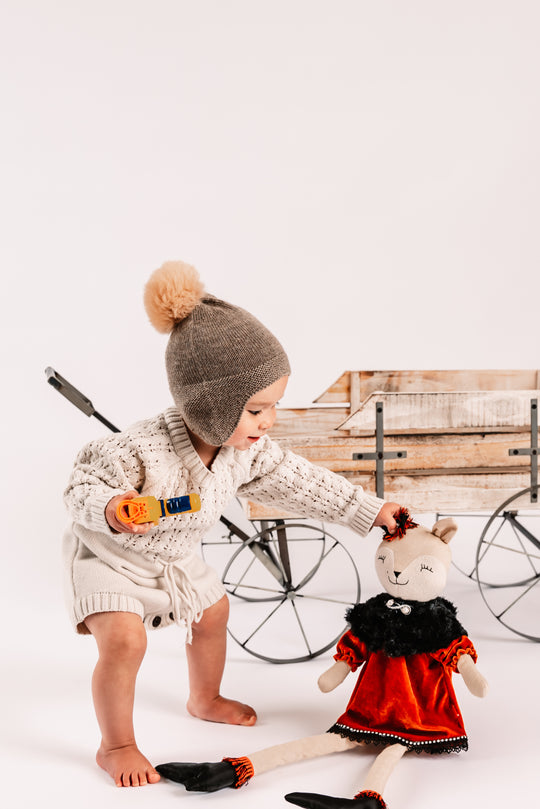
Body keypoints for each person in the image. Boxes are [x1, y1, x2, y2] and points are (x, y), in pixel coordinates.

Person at [63, 260, 403, 789]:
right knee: (126, 643)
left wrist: (369, 509)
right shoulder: (139, 447)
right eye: (255, 409)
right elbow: (79, 487)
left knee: (215, 611)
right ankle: (117, 745)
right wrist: (111, 506)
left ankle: (204, 697)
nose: (268, 422)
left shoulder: (247, 451)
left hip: (172, 559)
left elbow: (304, 483)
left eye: (274, 407)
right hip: (112, 558)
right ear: (211, 404)